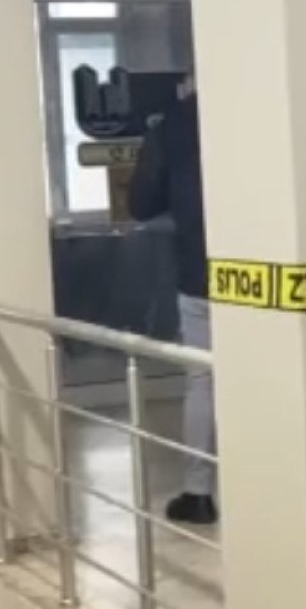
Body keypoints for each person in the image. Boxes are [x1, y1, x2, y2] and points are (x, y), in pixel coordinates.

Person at [128, 76, 218, 525]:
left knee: (202, 381)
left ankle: (198, 493)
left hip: (200, 275)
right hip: (270, 276)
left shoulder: (176, 123)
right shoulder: (264, 104)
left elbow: (142, 202)